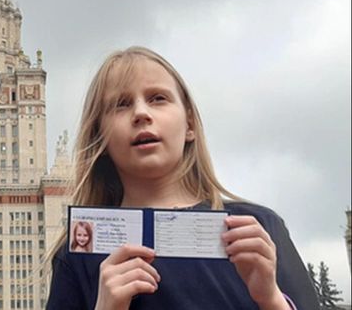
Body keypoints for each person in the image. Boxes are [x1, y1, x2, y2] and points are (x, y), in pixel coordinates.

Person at [46, 47, 319, 310]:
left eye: (157, 98)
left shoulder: (259, 229)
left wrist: (271, 299)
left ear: (190, 124)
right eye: (121, 104)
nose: (141, 113)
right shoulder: (78, 251)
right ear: (99, 136)